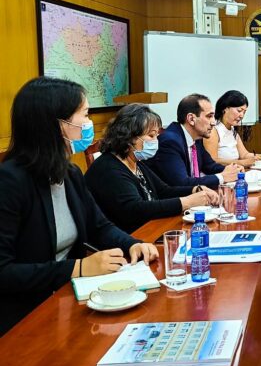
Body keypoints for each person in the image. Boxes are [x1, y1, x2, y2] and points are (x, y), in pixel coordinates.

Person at [0, 78, 158, 336]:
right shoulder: (10, 181)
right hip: (24, 317)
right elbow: (4, 272)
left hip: (67, 301)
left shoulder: (69, 173)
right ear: (57, 124)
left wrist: (132, 244)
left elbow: (99, 226)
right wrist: (79, 268)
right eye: (84, 115)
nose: (88, 124)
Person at [85, 104, 220, 234]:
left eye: (156, 135)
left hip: (147, 229)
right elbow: (135, 210)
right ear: (129, 136)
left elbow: (163, 191)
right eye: (151, 135)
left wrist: (195, 189)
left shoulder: (135, 162)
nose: (156, 141)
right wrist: (187, 202)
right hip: (128, 238)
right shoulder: (109, 168)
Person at [146, 94, 243, 188]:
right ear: (191, 119)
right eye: (209, 116)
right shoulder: (170, 142)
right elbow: (181, 183)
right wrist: (222, 177)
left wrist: (232, 170)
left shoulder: (196, 137)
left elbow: (210, 166)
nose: (213, 122)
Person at [203, 90, 261, 167]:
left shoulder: (232, 130)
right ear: (225, 108)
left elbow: (244, 154)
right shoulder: (213, 130)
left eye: (244, 112)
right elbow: (212, 161)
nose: (242, 115)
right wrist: (242, 163)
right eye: (239, 111)